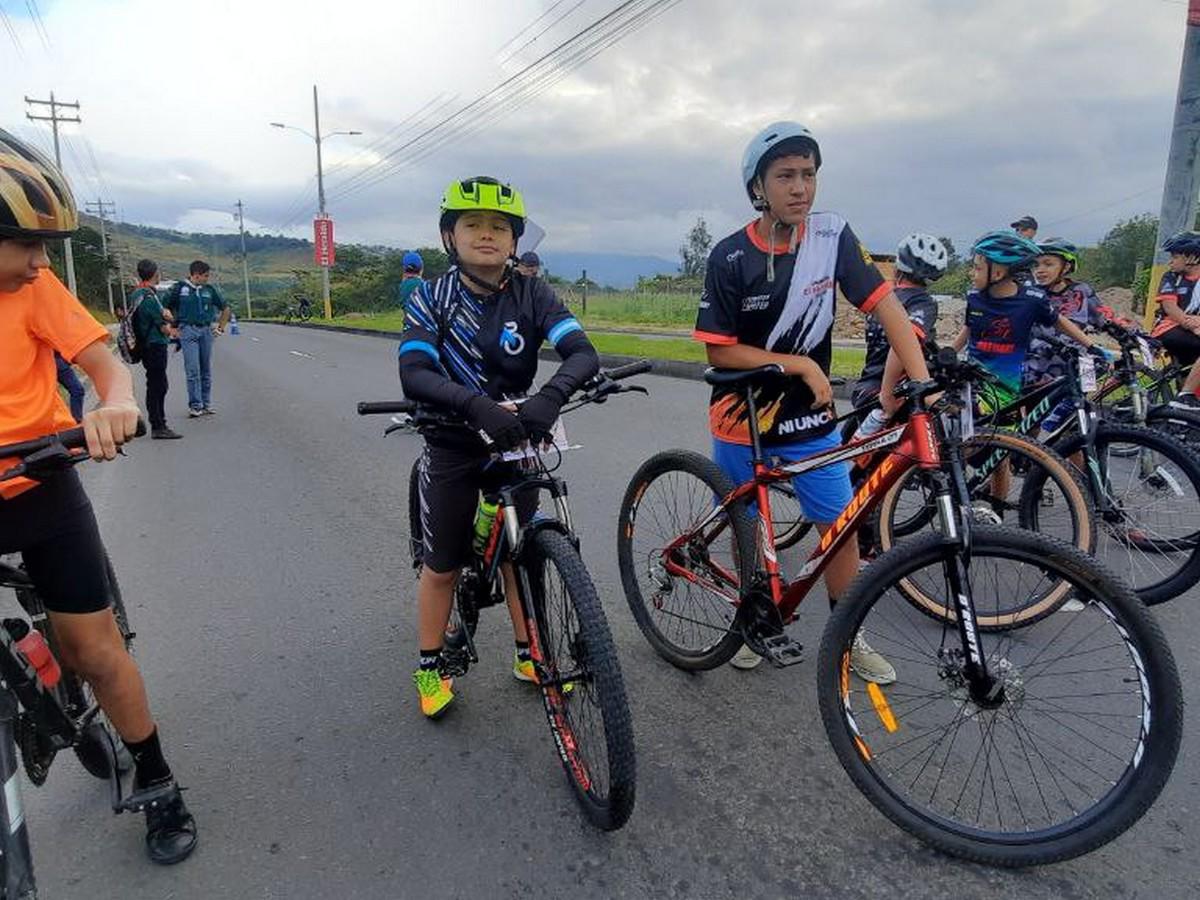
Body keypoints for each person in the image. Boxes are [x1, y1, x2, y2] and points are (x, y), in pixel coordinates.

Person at [0, 128, 197, 864]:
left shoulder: (33, 288)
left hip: (36, 477)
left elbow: (98, 359)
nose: (43, 261)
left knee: (94, 650)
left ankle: (158, 779)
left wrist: (110, 401)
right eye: (27, 242)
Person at [693, 121, 933, 681]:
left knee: (838, 525)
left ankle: (851, 636)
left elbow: (887, 307)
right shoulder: (729, 257)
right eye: (785, 176)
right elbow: (719, 352)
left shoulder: (832, 237)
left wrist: (918, 383)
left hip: (809, 415)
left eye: (809, 175)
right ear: (759, 187)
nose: (800, 187)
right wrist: (797, 362)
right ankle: (751, 620)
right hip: (741, 414)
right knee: (748, 527)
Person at [398, 176, 599, 718]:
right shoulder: (431, 298)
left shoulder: (533, 293)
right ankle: (430, 663)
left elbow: (582, 353)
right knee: (441, 566)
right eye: (473, 224)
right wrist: (473, 405)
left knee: (519, 554)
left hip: (517, 440)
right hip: (453, 441)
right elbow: (414, 372)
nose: (486, 235)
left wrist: (552, 397)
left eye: (499, 227)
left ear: (514, 240)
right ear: (450, 236)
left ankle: (527, 651)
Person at [852, 232, 945, 408]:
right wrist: (887, 393)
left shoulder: (885, 300)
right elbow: (903, 342)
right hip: (893, 390)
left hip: (866, 387)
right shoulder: (923, 302)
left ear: (898, 268)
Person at [163, 260, 228, 417]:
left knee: (205, 368)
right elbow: (164, 307)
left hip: (205, 330)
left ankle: (206, 403)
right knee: (193, 369)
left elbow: (225, 308)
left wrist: (220, 328)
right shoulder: (179, 289)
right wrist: (170, 327)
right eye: (205, 276)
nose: (207, 279)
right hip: (187, 330)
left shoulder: (209, 290)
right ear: (196, 275)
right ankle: (195, 404)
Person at [129, 259, 181, 440]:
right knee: (158, 386)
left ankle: (158, 423)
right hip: (155, 345)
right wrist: (171, 323)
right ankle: (159, 425)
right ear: (155, 274)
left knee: (155, 383)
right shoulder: (150, 298)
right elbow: (163, 327)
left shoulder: (137, 294)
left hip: (144, 345)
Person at [1149, 231, 1200, 407]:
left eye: (1175, 256)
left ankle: (1187, 400)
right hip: (1169, 328)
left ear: (1193, 256)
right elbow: (1170, 308)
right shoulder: (1171, 277)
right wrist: (1191, 324)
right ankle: (1184, 397)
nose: (1171, 261)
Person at [54, 351, 86, 422]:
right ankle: (76, 421)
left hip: (56, 361)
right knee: (77, 389)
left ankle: (76, 420)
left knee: (77, 390)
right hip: (52, 362)